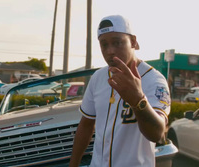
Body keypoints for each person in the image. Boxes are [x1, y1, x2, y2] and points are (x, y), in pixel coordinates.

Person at [69, 15, 171, 167]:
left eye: (117, 42)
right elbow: (86, 124)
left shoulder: (154, 80)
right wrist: (74, 163)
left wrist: (139, 101)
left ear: (133, 42)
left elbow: (157, 134)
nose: (110, 51)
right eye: (104, 45)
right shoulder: (98, 77)